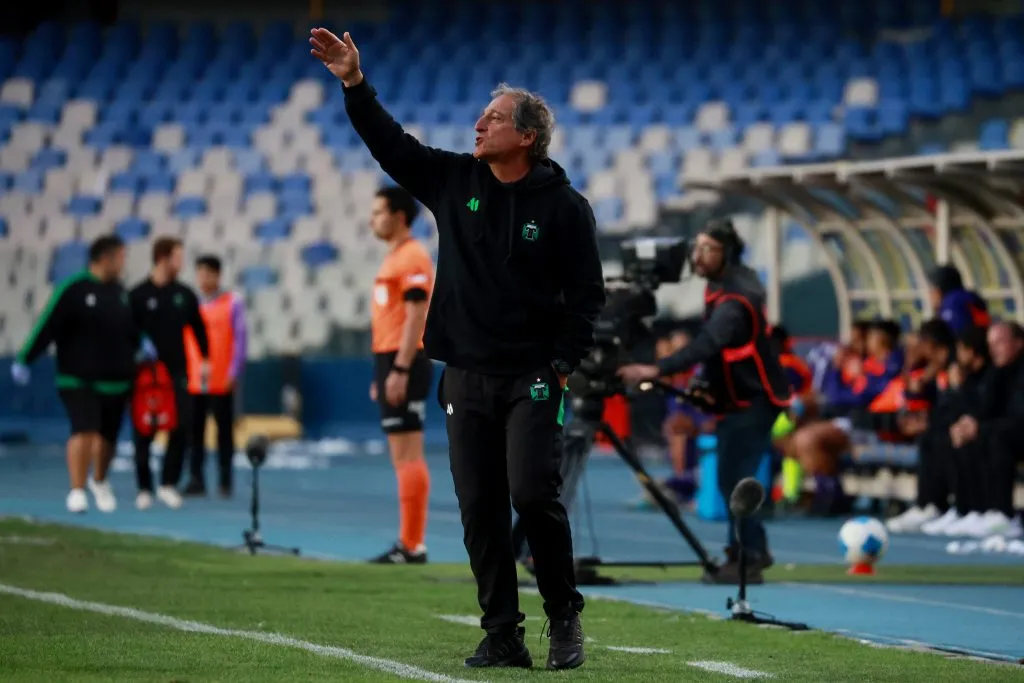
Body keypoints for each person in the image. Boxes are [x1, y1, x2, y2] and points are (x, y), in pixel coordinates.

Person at [311, 28, 605, 670]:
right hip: (464, 376)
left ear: (527, 136)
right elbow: (390, 146)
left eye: (494, 119)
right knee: (478, 508)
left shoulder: (565, 208)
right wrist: (355, 84)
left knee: (533, 494)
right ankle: (503, 632)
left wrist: (558, 366)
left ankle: (564, 616)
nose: (479, 124)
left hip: (531, 376)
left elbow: (588, 300)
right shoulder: (453, 180)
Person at [617, 218, 791, 585]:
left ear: (726, 253)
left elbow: (707, 344)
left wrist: (656, 369)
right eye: (696, 247)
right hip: (741, 399)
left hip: (755, 400)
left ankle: (748, 556)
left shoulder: (735, 298)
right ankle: (749, 551)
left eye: (707, 249)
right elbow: (717, 353)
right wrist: (702, 382)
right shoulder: (724, 284)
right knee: (732, 477)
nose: (697, 255)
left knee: (733, 478)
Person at [11, 235, 154, 513]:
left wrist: (143, 342)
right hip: (78, 377)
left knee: (108, 438)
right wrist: (25, 359)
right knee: (84, 429)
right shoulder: (73, 289)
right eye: (121, 257)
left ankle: (99, 481)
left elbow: (131, 328)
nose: (124, 263)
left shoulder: (120, 293)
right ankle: (76, 490)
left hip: (116, 380)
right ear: (106, 258)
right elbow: (47, 325)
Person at [365, 186, 435, 564]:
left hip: (404, 360)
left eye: (378, 212)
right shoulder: (396, 258)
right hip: (391, 359)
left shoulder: (412, 257)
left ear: (399, 215)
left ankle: (412, 544)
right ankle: (410, 542)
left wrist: (401, 368)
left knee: (408, 455)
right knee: (402, 455)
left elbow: (415, 315)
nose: (372, 219)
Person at [130, 236, 209, 511]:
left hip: (177, 372)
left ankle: (168, 483)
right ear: (163, 258)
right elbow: (126, 332)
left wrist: (206, 359)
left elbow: (199, 329)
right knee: (144, 430)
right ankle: (143, 487)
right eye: (178, 256)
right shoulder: (138, 295)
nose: (182, 262)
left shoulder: (184, 295)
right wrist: (138, 345)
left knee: (181, 427)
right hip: (146, 375)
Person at [182, 254, 247, 499]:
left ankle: (225, 480)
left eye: (208, 273)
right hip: (195, 379)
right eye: (200, 273)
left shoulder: (233, 303)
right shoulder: (190, 303)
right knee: (194, 431)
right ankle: (196, 478)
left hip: (222, 379)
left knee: (224, 432)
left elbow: (240, 340)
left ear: (218, 275)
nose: (203, 278)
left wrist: (234, 370)